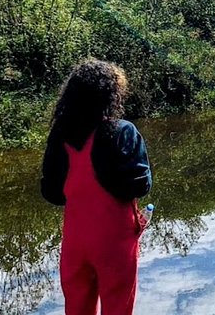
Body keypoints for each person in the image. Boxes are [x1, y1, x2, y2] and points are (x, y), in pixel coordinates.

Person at [40, 59, 152, 315]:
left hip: (75, 241)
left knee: (77, 308)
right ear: (111, 95)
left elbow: (51, 193)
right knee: (117, 307)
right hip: (115, 240)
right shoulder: (122, 131)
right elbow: (140, 185)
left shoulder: (61, 135)